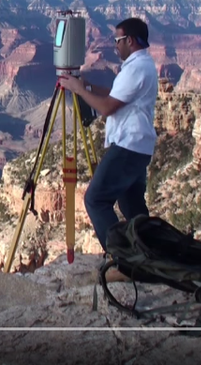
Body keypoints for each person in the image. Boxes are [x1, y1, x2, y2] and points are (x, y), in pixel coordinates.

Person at [58, 17, 159, 281]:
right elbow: (114, 94)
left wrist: (79, 90)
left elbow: (106, 108)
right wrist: (86, 85)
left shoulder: (136, 69)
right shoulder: (139, 65)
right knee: (132, 205)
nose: (114, 46)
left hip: (128, 145)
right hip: (139, 146)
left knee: (95, 199)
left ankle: (123, 263)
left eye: (117, 40)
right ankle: (153, 258)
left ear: (131, 41)